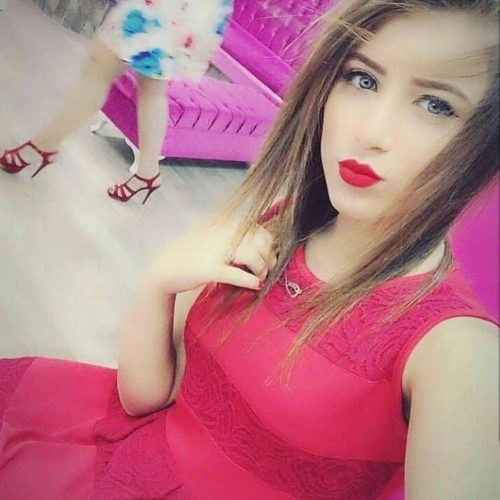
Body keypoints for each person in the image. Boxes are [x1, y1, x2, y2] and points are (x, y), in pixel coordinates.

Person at [0, 0, 498, 498]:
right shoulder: (282, 223)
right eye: (362, 79)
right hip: (124, 459)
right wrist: (160, 281)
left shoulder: (457, 350)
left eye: (436, 105)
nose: (371, 132)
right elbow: (143, 399)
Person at [0, 0, 234, 204]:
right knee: (151, 85)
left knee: (102, 65)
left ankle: (44, 145)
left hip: (172, 7)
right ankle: (147, 172)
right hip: (191, 9)